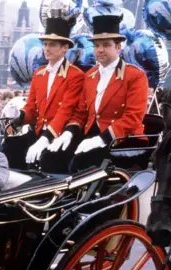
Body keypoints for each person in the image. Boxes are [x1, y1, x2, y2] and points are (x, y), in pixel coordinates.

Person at [47, 15, 149, 173]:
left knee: (80, 164)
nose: (100, 50)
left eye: (106, 45)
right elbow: (80, 113)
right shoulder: (90, 75)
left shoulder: (135, 75)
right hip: (92, 137)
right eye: (96, 45)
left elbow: (133, 118)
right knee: (51, 156)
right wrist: (68, 133)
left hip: (124, 141)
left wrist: (102, 139)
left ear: (118, 47)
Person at [1, 17, 84, 172]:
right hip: (38, 133)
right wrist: (19, 116)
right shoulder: (39, 74)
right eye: (45, 44)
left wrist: (46, 137)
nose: (47, 48)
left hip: (61, 136)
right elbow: (31, 107)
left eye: (52, 44)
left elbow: (65, 111)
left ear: (65, 47)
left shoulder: (75, 75)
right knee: (10, 147)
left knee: (47, 158)